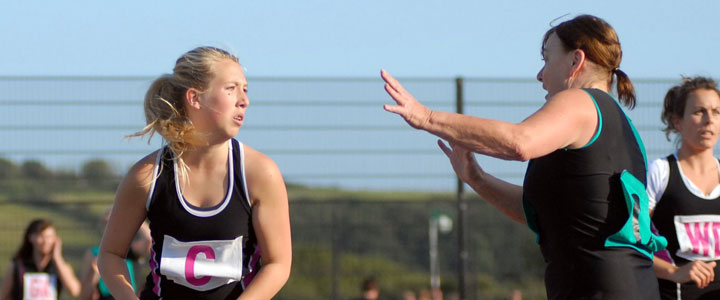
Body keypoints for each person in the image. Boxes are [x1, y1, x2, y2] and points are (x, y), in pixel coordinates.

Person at [382, 14, 666, 299]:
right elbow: (543, 212)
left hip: (601, 287)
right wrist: (477, 179)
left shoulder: (580, 101)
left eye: (546, 59)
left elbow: (520, 142)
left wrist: (427, 117)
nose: (540, 75)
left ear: (575, 61)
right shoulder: (622, 127)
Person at [97, 46, 292, 300]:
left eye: (245, 89)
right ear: (195, 98)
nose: (244, 100)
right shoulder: (148, 176)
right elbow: (110, 255)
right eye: (231, 89)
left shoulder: (259, 173)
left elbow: (278, 264)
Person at [648, 76, 720, 299]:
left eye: (716, 112)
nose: (709, 120)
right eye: (699, 111)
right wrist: (674, 271)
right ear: (677, 121)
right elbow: (630, 243)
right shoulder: (660, 172)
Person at [0, 218, 81, 299]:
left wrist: (57, 258)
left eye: (49, 237)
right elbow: (3, 296)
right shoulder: (18, 266)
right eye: (41, 236)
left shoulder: (60, 266)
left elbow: (75, 291)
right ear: (31, 238)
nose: (45, 241)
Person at [80, 208, 151, 300]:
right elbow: (84, 296)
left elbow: (149, 239)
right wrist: (93, 275)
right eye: (106, 223)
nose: (109, 227)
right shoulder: (94, 254)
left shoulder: (130, 250)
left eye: (113, 222)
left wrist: (132, 217)